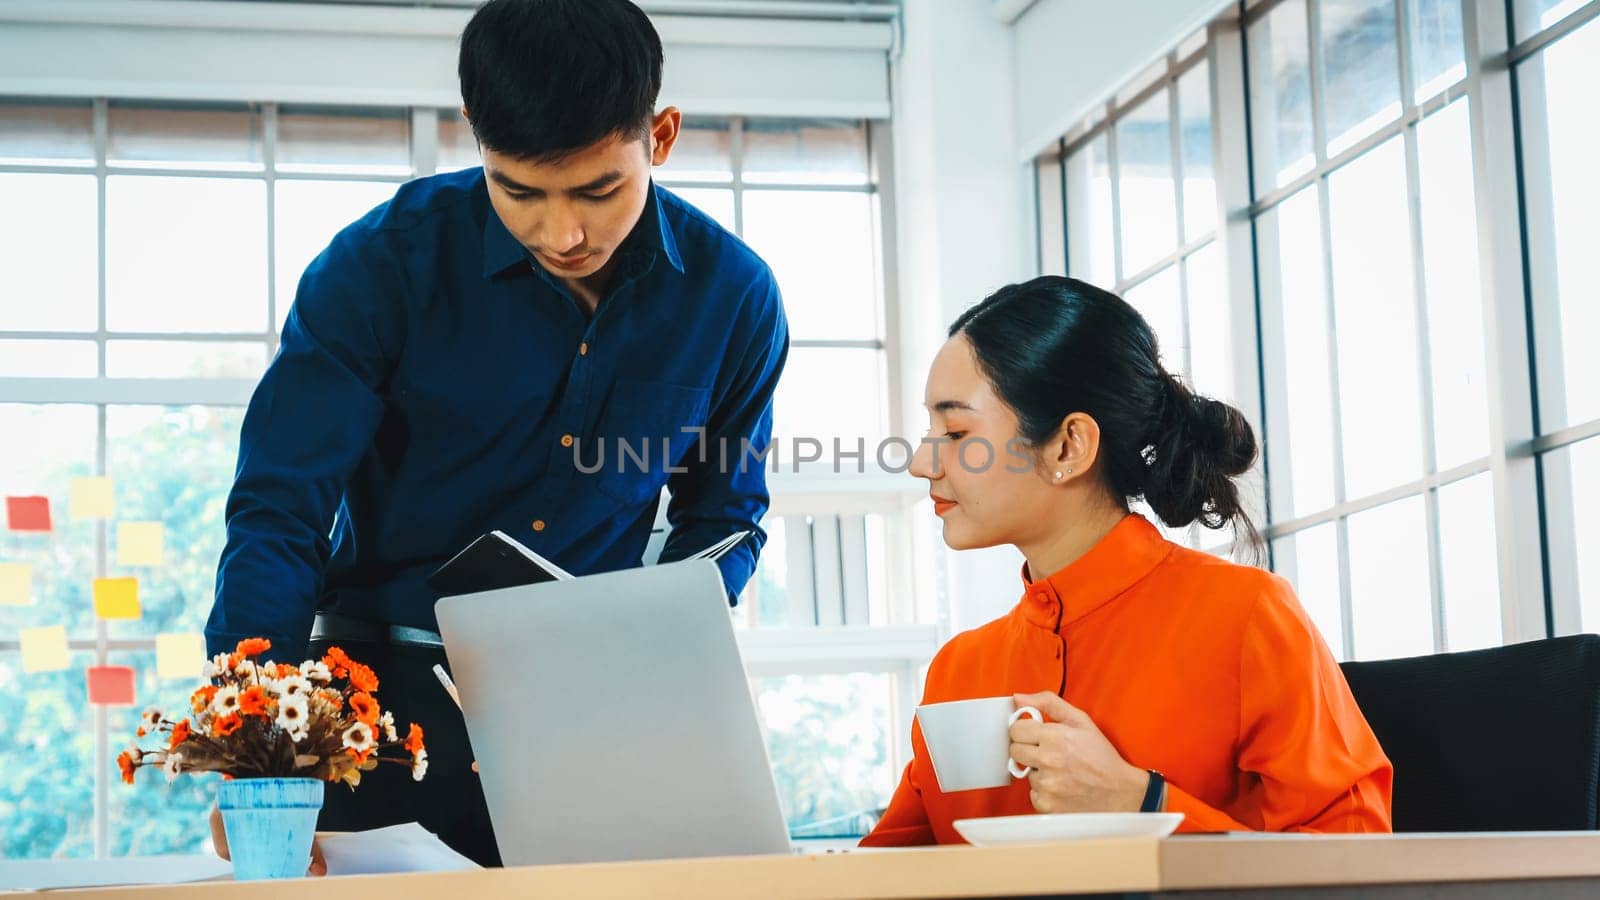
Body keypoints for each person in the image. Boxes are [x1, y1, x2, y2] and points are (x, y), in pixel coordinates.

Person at [204, 0, 788, 868]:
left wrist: (658, 634)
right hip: (375, 707)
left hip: (591, 715)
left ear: (659, 137)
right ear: (474, 132)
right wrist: (256, 743)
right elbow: (280, 509)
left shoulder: (732, 295)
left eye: (600, 190)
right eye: (520, 191)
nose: (564, 233)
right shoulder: (380, 266)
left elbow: (727, 514)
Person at [860, 276, 1391, 845]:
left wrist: (1142, 803)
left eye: (957, 430)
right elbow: (887, 872)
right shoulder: (958, 672)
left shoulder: (1246, 617)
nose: (920, 463)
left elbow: (1357, 857)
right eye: (929, 430)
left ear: (1069, 446)